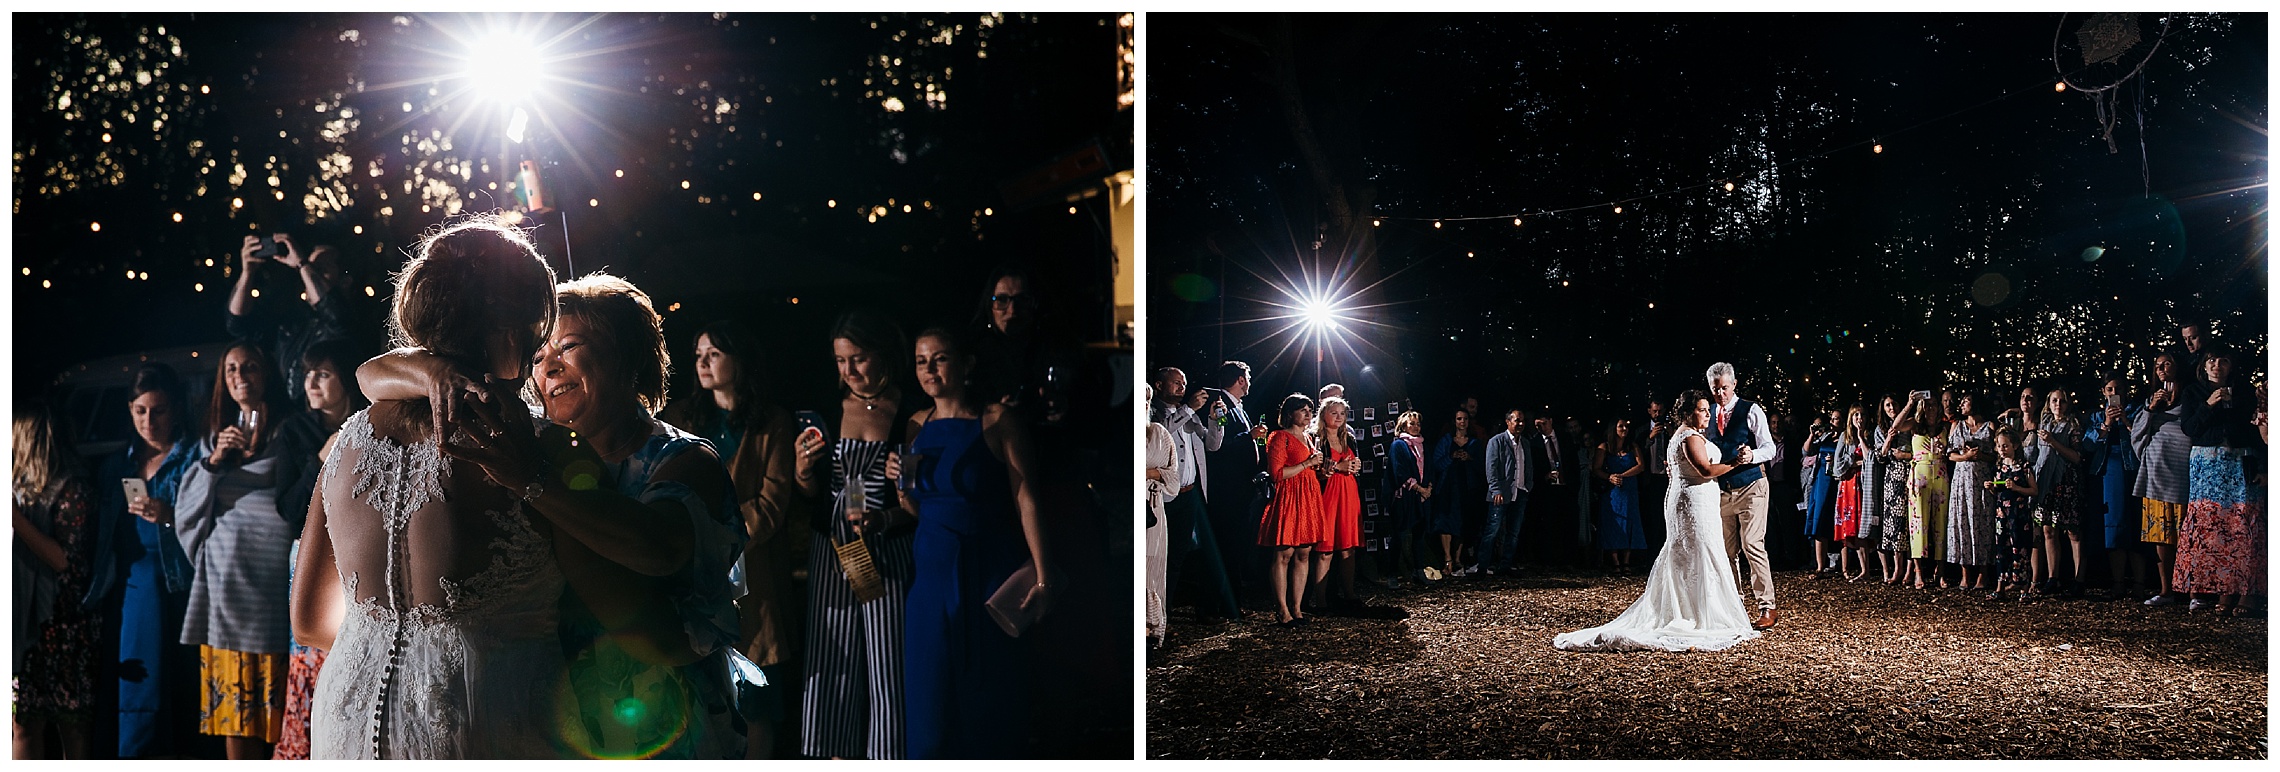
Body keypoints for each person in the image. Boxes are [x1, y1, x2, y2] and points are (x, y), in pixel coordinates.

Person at [297, 220, 575, 758]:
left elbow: (309, 619)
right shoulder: (529, 445)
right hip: (484, 715)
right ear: (512, 329)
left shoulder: (347, 442)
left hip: (347, 715)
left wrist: (389, 650)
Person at [892, 325, 1055, 759]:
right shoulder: (914, 424)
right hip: (928, 580)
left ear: (966, 363)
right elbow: (913, 509)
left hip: (986, 570)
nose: (929, 369)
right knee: (929, 710)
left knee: (988, 708)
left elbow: (1027, 498)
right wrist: (900, 485)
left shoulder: (998, 420)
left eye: (940, 358)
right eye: (921, 361)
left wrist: (1043, 572)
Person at [657, 319, 806, 759]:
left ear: (739, 360)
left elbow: (771, 507)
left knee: (757, 698)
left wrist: (711, 531)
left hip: (755, 579)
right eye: (698, 354)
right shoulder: (682, 418)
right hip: (697, 577)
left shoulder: (773, 423)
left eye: (714, 354)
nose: (702, 362)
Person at [176, 341, 322, 759]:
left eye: (250, 368)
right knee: (234, 713)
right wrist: (215, 462)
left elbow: (297, 497)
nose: (241, 377)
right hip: (226, 586)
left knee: (282, 712)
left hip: (274, 585)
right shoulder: (211, 439)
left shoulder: (290, 431)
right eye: (232, 370)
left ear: (267, 374)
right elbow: (187, 508)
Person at [794, 310, 921, 759]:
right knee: (831, 660)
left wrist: (885, 518)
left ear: (886, 356)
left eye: (859, 359)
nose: (849, 371)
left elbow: (916, 505)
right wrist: (803, 471)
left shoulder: (910, 412)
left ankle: (889, 756)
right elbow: (812, 492)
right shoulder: (828, 409)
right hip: (833, 547)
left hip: (886, 549)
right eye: (840, 361)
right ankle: (830, 755)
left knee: (889, 663)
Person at [1553, 390, 1760, 652]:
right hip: (1693, 503)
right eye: (1702, 409)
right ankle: (1696, 614)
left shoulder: (1684, 436)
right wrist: (1735, 463)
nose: (1708, 413)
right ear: (1687, 413)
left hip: (1694, 500)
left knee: (1696, 553)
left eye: (1708, 409)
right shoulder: (1688, 437)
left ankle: (1696, 608)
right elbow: (1705, 470)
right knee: (1698, 552)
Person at [83, 365, 203, 759]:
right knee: (132, 681)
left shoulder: (193, 458)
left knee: (176, 685)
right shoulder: (119, 464)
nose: (149, 421)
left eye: (159, 411)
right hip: (129, 586)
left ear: (177, 410)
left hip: (178, 585)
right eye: (140, 412)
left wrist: (170, 514)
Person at [272, 338, 365, 761]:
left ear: (344, 378)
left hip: (359, 553)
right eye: (308, 374)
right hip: (311, 551)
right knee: (313, 657)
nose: (312, 382)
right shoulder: (293, 430)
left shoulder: (370, 422)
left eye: (323, 373)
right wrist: (320, 459)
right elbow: (288, 508)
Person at [14, 406, 100, 759]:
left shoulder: (72, 489)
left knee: (71, 725)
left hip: (64, 627)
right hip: (25, 625)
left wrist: (15, 520)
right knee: (22, 725)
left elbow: (63, 559)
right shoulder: (19, 489)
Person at [2174, 349, 2264, 616]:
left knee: (2243, 525)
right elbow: (2189, 428)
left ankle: (2247, 593)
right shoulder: (2193, 392)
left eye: (2223, 360)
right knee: (2213, 529)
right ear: (2204, 366)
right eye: (2211, 361)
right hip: (2207, 467)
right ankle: (2222, 590)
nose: (2217, 365)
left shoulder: (2246, 393)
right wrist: (2209, 404)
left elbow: (2255, 431)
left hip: (2240, 463)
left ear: (2231, 366)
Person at [1150, 368, 1238, 622]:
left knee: (1179, 555)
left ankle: (1165, 612)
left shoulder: (1190, 417)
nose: (1181, 387)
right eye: (1176, 383)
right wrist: (1188, 408)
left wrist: (1215, 420)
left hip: (1189, 494)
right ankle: (1153, 615)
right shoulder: (1153, 412)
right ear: (1159, 385)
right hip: (1164, 497)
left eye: (1184, 383)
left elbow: (1212, 445)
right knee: (1160, 557)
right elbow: (1162, 432)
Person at [225, 233, 358, 403]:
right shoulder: (294, 322)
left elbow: (337, 315)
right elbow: (237, 325)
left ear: (345, 281)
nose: (309, 274)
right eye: (310, 268)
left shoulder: (356, 320)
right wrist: (247, 273)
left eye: (320, 269)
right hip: (297, 422)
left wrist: (302, 264)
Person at [1704, 363, 1778, 629]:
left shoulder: (1751, 409)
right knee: (1726, 551)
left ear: (1734, 384)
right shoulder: (1708, 413)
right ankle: (1734, 604)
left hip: (1752, 486)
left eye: (1724, 388)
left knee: (1752, 544)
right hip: (1721, 490)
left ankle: (1767, 606)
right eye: (1715, 389)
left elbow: (1770, 448)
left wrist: (1752, 455)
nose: (1720, 394)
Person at [1199, 362, 1264, 611]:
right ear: (1239, 380)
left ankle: (1232, 601)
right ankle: (1212, 603)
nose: (1249, 383)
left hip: (1242, 488)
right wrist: (1249, 437)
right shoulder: (1221, 405)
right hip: (1227, 491)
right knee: (1225, 545)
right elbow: (1219, 446)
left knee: (1236, 547)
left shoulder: (1240, 409)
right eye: (1247, 378)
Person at [2131, 353, 2194, 606]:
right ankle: (2166, 589)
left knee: (2186, 536)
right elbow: (2136, 435)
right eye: (2157, 365)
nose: (2161, 368)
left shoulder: (2190, 399)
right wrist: (2150, 410)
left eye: (2167, 363)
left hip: (2180, 475)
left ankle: (2192, 591)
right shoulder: (2151, 402)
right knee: (2161, 536)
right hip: (2155, 476)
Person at [1258, 395, 1325, 624]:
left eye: (1310, 409)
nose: (1307, 413)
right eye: (1302, 410)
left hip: (1308, 496)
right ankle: (1282, 609)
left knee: (1304, 553)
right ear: (1290, 413)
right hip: (1288, 497)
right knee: (1284, 553)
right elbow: (1277, 474)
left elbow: (1309, 470)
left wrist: (1320, 469)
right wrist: (1307, 463)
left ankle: (1297, 608)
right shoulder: (1279, 437)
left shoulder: (1308, 437)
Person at [2083, 376, 2145, 597]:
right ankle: (2118, 581)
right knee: (2114, 524)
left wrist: (2126, 421)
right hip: (2108, 471)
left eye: (2118, 388)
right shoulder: (2096, 416)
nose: (2113, 392)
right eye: (2109, 389)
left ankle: (2139, 582)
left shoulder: (2138, 410)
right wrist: (2106, 425)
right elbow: (2088, 446)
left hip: (2135, 470)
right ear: (2103, 392)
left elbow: (2144, 437)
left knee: (2137, 523)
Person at [1307, 397, 1365, 610]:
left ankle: (1349, 593)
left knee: (1348, 547)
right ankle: (1320, 598)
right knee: (1325, 549)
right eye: (1334, 413)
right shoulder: (1316, 438)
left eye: (1342, 413)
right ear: (1324, 414)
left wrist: (1355, 465)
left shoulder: (1349, 437)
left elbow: (1353, 463)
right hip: (1328, 496)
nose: (1339, 417)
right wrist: (1337, 468)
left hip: (1349, 495)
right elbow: (1315, 472)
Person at [2032, 388, 2087, 596]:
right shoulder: (2044, 424)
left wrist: (2054, 442)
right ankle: (2052, 577)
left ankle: (2078, 579)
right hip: (2047, 483)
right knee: (2048, 530)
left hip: (2067, 482)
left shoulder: (2073, 425)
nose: (2058, 405)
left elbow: (2077, 457)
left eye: (2062, 401)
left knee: (2072, 531)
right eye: (2054, 400)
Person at [1944, 392, 1997, 592]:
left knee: (1982, 522)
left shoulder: (1989, 427)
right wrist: (1965, 455)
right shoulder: (1957, 426)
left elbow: (1995, 456)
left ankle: (1983, 573)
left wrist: (1980, 455)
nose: (1962, 404)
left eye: (1965, 401)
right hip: (1962, 481)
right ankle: (1965, 574)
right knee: (1962, 522)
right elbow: (1950, 455)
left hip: (1981, 480)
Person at [1428, 409, 1483, 577]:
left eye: (1465, 419)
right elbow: (1436, 464)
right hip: (1447, 488)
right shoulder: (1446, 441)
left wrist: (1470, 458)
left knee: (1462, 522)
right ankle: (1447, 558)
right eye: (1459, 418)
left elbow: (1481, 466)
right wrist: (1451, 456)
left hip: (1466, 488)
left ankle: (1458, 559)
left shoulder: (1474, 443)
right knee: (1445, 521)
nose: (1462, 422)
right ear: (1454, 421)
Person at [1986, 429, 2040, 600]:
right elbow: (1998, 492)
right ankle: (2000, 586)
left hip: (2019, 515)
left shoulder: (2024, 467)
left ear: (2015, 446)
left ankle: (2024, 588)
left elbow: (2034, 490)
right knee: (2002, 548)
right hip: (2002, 515)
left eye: (2006, 446)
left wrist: (2017, 488)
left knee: (2021, 547)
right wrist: (1992, 488)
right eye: (1999, 446)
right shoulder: (1999, 468)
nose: (2002, 449)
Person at [1482, 409, 1536, 576]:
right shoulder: (1496, 441)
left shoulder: (1525, 443)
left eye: (1522, 421)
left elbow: (1528, 465)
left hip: (1520, 491)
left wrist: (1528, 485)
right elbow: (1491, 467)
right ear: (1508, 421)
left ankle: (1505, 565)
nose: (1520, 424)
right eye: (1516, 420)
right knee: (1493, 529)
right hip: (1501, 493)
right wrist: (1495, 489)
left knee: (1514, 532)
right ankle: (1483, 566)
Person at [1593, 419, 1648, 572]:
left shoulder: (1632, 446)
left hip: (1629, 489)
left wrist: (1623, 475)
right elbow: (1596, 468)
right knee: (1613, 523)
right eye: (1621, 426)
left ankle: (1626, 561)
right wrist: (1610, 477)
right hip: (1613, 490)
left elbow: (1641, 466)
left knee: (1630, 521)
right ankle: (1615, 561)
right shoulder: (1604, 447)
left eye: (1626, 426)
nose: (1624, 429)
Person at [1143, 385, 1175, 650]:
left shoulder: (1158, 433)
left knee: (1151, 570)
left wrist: (1151, 473)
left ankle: (1151, 630)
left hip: (1151, 508)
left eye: (1146, 400)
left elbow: (1172, 476)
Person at [1387, 411, 1434, 585]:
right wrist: (1418, 488)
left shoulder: (1423, 445)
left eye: (1418, 424)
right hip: (1404, 496)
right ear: (1404, 425)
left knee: (1420, 534)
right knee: (1399, 534)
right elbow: (1399, 470)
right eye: (1411, 423)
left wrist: (1428, 488)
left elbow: (1428, 467)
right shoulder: (1399, 445)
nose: (1415, 427)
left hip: (1421, 496)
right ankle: (1392, 574)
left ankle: (1419, 571)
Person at [1872, 395, 1911, 584]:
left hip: (1910, 472)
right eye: (1887, 404)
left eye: (1894, 403)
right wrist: (1888, 439)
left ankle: (1911, 570)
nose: (1891, 407)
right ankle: (1897, 568)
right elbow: (1880, 456)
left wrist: (1905, 454)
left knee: (1911, 522)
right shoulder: (1880, 429)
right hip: (1892, 476)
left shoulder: (1909, 424)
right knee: (1895, 523)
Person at [1799, 412, 1840, 577]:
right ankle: (1820, 566)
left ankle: (1840, 564)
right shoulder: (1824, 439)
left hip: (1836, 481)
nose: (1832, 422)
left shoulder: (1844, 438)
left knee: (1836, 520)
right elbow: (1806, 452)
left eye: (1836, 419)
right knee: (1818, 519)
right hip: (1820, 481)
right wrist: (1812, 434)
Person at [1832, 406, 1868, 581]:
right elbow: (1837, 466)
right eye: (1855, 415)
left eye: (1861, 415)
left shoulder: (1868, 436)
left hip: (1863, 484)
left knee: (1862, 524)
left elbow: (1871, 460)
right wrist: (1853, 461)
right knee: (1847, 526)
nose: (1859, 418)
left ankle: (1865, 568)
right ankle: (1845, 569)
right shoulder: (1844, 438)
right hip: (1847, 486)